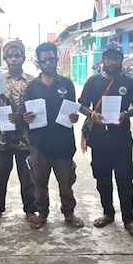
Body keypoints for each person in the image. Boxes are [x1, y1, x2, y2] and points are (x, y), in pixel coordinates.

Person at [79, 43, 133, 238]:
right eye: (108, 58)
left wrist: (125, 113)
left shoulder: (130, 82)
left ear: (121, 59)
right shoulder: (93, 82)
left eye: (116, 58)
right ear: (103, 60)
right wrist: (92, 114)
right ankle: (108, 213)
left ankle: (129, 219)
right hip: (99, 141)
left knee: (125, 181)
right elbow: (81, 105)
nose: (112, 62)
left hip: (122, 141)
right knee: (102, 180)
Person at [23, 42, 84, 229]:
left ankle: (69, 212)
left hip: (63, 143)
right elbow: (24, 114)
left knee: (66, 183)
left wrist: (75, 117)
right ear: (38, 62)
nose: (48, 63)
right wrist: (27, 117)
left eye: (52, 59)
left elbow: (73, 112)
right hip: (39, 144)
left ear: (57, 59)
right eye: (44, 60)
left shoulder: (66, 84)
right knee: (40, 183)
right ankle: (42, 213)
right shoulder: (32, 86)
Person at [0, 40, 37, 225]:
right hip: (3, 138)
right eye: (10, 56)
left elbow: (36, 110)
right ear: (5, 58)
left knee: (27, 178)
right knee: (0, 175)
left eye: (17, 55)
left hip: (25, 138)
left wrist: (25, 116)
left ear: (23, 58)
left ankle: (30, 210)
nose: (14, 59)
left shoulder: (32, 82)